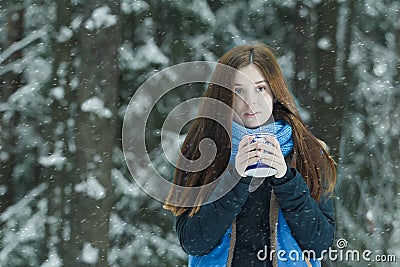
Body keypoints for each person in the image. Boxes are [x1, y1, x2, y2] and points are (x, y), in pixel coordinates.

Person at [163, 43, 337, 267]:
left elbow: (320, 244)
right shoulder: (202, 150)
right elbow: (193, 241)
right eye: (238, 90)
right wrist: (236, 177)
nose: (250, 101)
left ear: (275, 93)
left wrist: (286, 179)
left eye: (260, 88)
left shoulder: (308, 151)